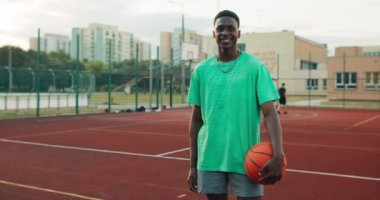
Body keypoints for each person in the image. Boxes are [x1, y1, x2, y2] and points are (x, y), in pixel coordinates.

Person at [187, 10, 285, 200]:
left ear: (238, 33)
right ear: (214, 34)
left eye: (231, 28)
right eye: (220, 28)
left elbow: (270, 114)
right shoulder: (200, 71)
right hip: (209, 159)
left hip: (247, 158)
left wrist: (278, 155)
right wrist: (193, 165)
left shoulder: (254, 66)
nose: (225, 32)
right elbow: (196, 120)